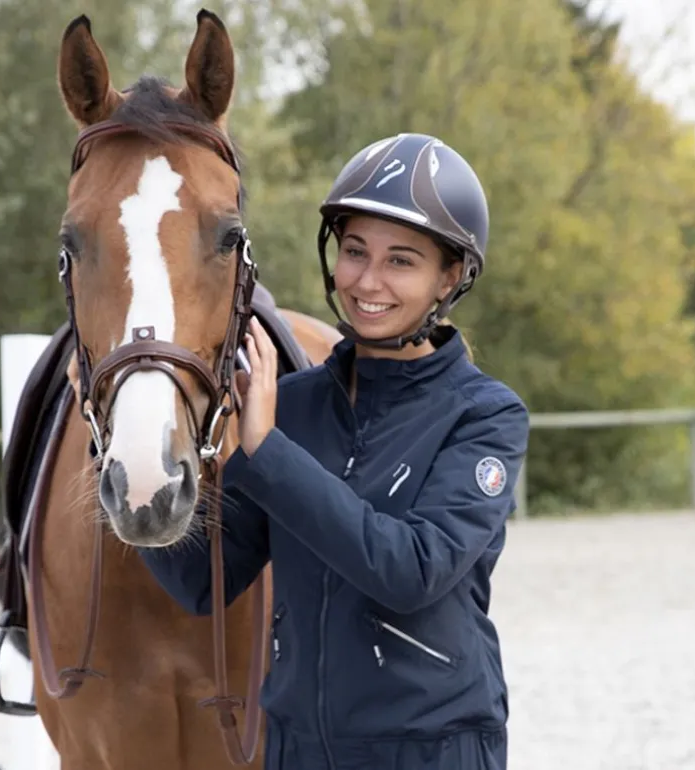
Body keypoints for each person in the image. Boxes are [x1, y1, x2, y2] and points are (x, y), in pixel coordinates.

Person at [139, 132, 530, 770]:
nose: (367, 280)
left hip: (431, 751)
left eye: (401, 261)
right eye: (355, 252)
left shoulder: (486, 415)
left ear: (448, 277)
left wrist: (266, 451)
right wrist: (127, 456)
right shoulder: (290, 404)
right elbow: (201, 581)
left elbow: (411, 572)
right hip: (296, 750)